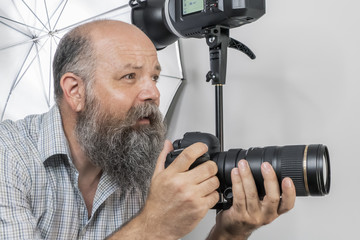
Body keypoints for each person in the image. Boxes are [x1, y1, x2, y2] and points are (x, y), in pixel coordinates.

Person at [0, 20, 296, 239]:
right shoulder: (9, 156)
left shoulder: (143, 163)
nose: (153, 93)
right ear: (75, 91)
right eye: (129, 76)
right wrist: (153, 223)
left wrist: (229, 233)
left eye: (154, 77)